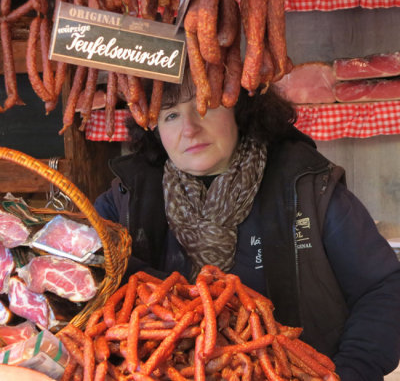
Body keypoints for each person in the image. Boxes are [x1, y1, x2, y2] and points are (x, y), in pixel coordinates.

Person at [94, 70, 400, 380]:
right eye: (170, 115)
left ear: (240, 109)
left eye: (205, 105)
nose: (189, 129)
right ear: (154, 129)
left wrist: (351, 371)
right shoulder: (125, 199)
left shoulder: (307, 188)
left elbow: (383, 288)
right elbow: (83, 270)